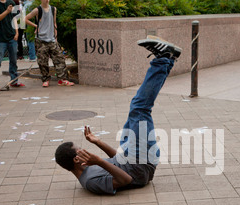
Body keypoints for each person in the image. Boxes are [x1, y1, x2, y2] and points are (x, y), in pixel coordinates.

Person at [54, 36, 182, 195]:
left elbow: (118, 161)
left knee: (135, 110)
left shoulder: (87, 167)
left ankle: (168, 59)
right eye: (80, 150)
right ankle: (163, 58)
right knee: (139, 107)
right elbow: (125, 180)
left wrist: (98, 142)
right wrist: (99, 161)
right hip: (140, 164)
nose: (84, 149)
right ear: (76, 159)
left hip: (132, 158)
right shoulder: (90, 181)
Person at [25, 0, 73, 87]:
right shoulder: (37, 10)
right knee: (43, 61)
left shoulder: (53, 9)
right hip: (41, 40)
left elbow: (54, 23)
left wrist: (56, 37)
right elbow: (26, 19)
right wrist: (36, 26)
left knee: (59, 59)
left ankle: (62, 79)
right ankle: (46, 79)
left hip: (51, 39)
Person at [0, 0, 25, 90]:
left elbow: (15, 19)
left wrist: (16, 32)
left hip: (12, 37)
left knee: (14, 60)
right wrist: (7, 11)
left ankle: (14, 81)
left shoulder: (11, 2)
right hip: (0, 39)